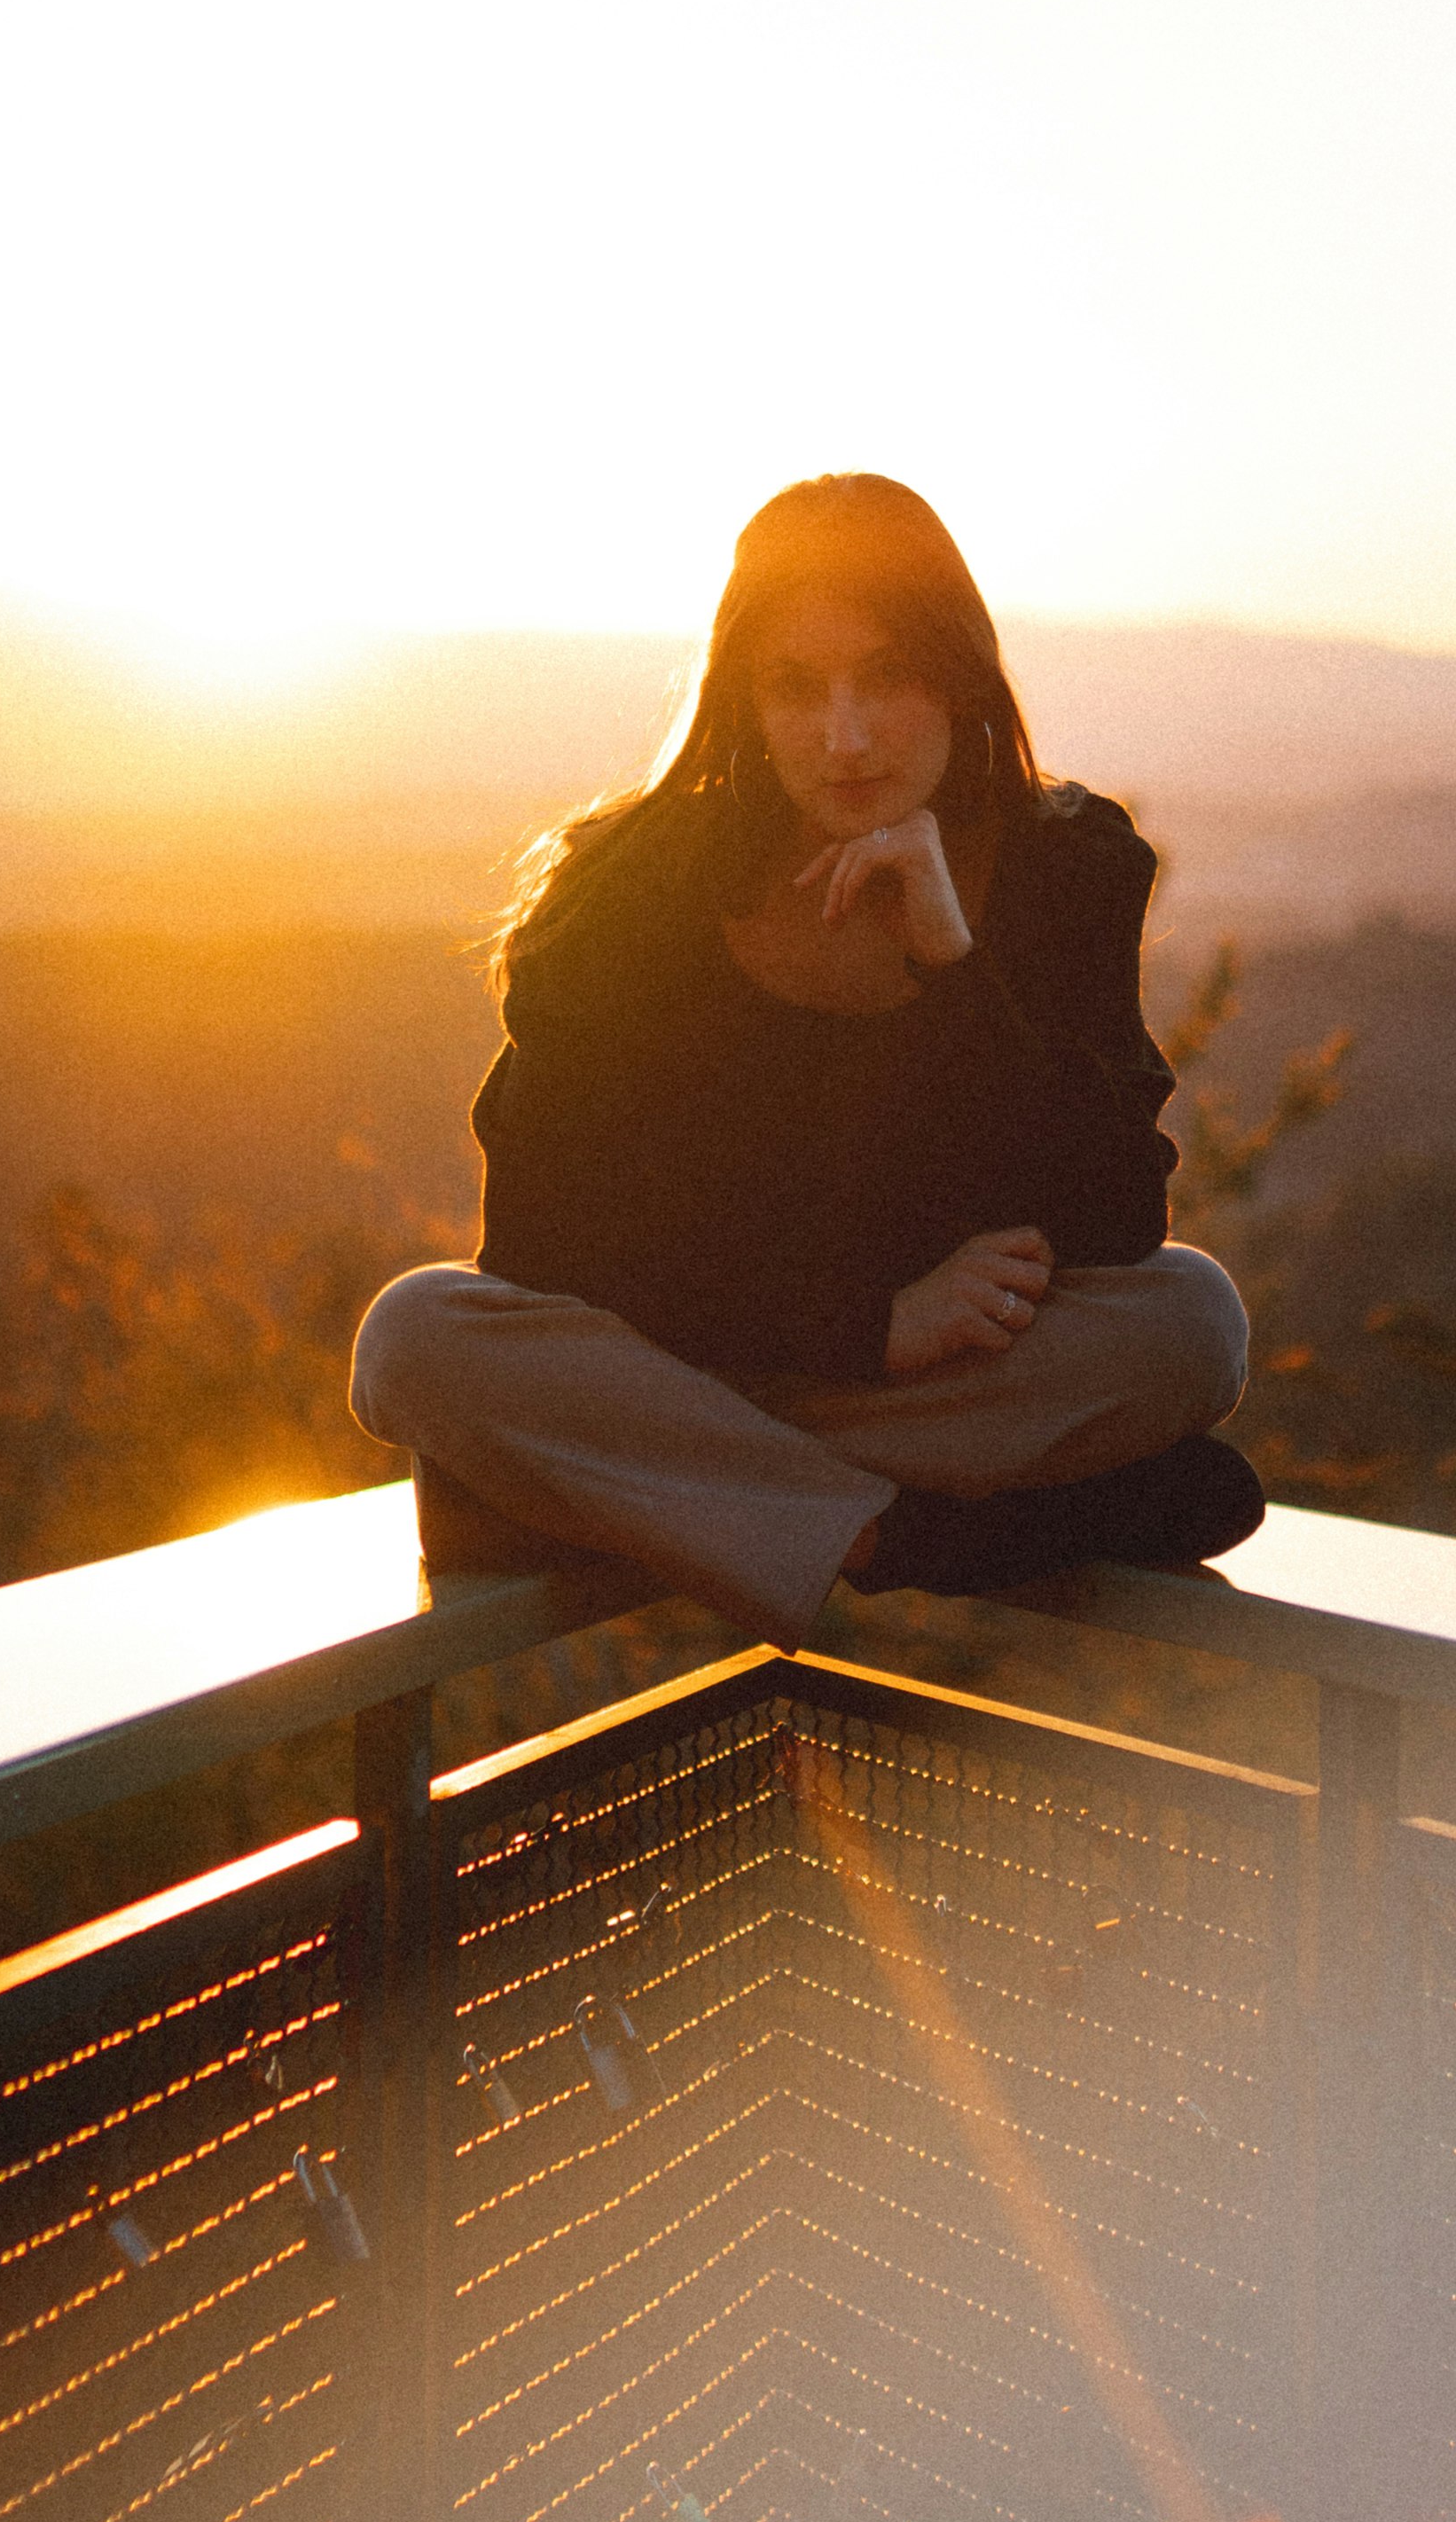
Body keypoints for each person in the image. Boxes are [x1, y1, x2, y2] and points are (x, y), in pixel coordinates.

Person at [349, 472, 1263, 1643]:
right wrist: (862, 1325)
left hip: (777, 1398)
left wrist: (950, 956)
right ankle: (905, 1537)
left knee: (1190, 1322)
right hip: (710, 1356)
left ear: (958, 670)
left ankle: (620, 1494)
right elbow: (542, 1240)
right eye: (795, 689)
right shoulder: (627, 890)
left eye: (886, 675)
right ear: (743, 700)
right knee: (417, 1343)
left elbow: (1113, 1217)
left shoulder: (1064, 866)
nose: (845, 739)